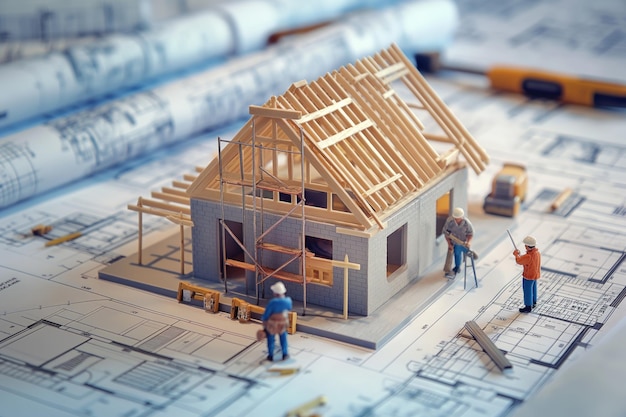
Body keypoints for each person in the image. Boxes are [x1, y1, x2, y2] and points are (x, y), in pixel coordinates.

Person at [260, 281, 293, 361]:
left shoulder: (273, 303)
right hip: (283, 322)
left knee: (271, 339)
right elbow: (289, 308)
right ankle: (284, 354)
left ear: (275, 293)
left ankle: (270, 356)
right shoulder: (288, 301)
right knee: (283, 339)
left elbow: (267, 313)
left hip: (272, 323)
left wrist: (264, 321)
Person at [442, 207, 473, 279]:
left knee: (457, 253)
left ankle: (457, 267)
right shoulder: (450, 222)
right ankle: (447, 269)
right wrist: (449, 243)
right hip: (452, 241)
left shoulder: (466, 223)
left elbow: (470, 234)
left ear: (462, 216)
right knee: (449, 255)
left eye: (458, 218)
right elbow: (446, 233)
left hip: (462, 242)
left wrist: (468, 242)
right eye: (456, 218)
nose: (457, 219)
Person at [513, 235, 541, 313]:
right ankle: (534, 302)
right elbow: (526, 259)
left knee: (527, 290)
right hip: (535, 275)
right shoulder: (537, 253)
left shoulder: (529, 256)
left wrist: (516, 255)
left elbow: (519, 261)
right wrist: (520, 255)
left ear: (527, 246)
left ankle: (528, 306)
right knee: (533, 289)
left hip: (529, 276)